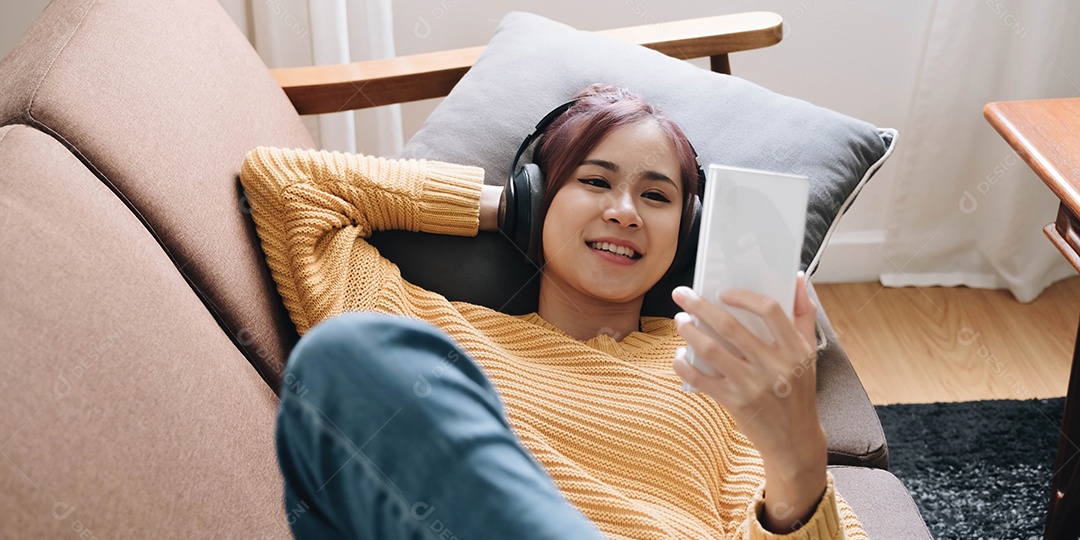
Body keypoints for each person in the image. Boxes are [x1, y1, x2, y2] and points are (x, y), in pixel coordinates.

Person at [240, 84, 866, 539]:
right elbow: (287, 186)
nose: (625, 211)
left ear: (688, 234)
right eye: (594, 182)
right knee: (344, 356)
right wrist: (505, 205)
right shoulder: (436, 334)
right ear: (537, 199)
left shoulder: (717, 374)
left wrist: (800, 461)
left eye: (656, 195)